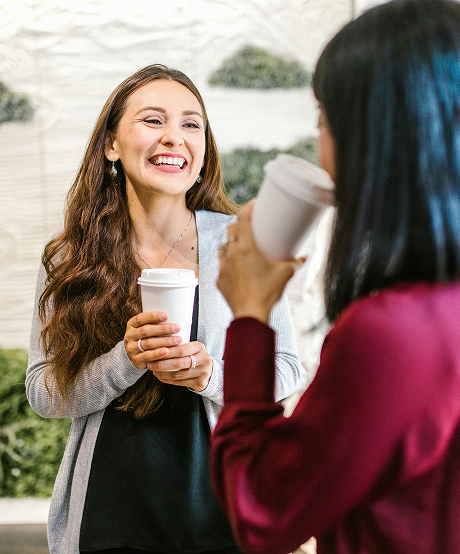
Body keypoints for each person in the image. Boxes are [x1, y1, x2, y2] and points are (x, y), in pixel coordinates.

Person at [211, 1, 460, 553]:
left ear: (379, 137)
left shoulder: (395, 333)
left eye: (325, 120)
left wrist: (250, 315)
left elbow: (262, 513)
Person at [26, 64, 301, 554]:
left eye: (190, 124)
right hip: (107, 518)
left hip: (223, 513)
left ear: (202, 152)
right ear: (111, 144)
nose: (174, 137)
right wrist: (124, 360)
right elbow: (44, 394)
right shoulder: (69, 258)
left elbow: (286, 369)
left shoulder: (242, 243)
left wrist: (209, 374)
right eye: (153, 120)